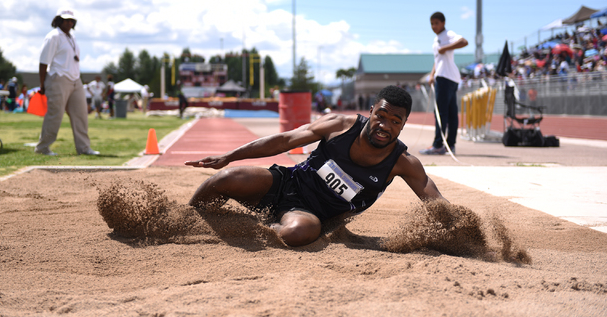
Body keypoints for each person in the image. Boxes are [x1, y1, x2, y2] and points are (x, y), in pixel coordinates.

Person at [185, 85, 448, 247]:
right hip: (287, 184)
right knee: (227, 177)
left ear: (403, 124)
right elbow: (285, 140)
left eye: (395, 121)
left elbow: (435, 200)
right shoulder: (339, 125)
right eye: (381, 116)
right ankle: (186, 220)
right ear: (371, 111)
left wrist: (463, 232)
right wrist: (229, 156)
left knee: (300, 233)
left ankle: (257, 225)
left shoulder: (403, 163)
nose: (384, 126)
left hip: (313, 215)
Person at [34, 8, 99, 156]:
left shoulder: (72, 37)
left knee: (81, 114)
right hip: (58, 78)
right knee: (55, 115)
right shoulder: (53, 36)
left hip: (76, 79)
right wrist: (42, 83)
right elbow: (44, 62)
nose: (69, 22)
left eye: (71, 20)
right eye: (66, 20)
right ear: (59, 20)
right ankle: (43, 147)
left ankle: (84, 148)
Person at [420, 12, 468, 155]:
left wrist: (445, 48)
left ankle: (438, 144)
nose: (434, 26)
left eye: (436, 23)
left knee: (441, 113)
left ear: (443, 22)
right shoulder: (437, 39)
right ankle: (450, 145)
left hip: (446, 77)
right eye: (432, 24)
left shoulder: (447, 34)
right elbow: (438, 59)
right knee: (451, 112)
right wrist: (432, 74)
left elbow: (464, 42)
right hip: (446, 76)